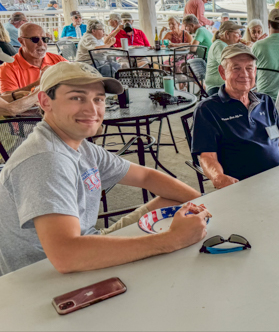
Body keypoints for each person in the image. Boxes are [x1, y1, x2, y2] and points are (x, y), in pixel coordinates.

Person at [0, 61, 210, 276]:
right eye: (76, 97)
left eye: (98, 99)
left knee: (179, 203)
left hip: (87, 242)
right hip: (47, 275)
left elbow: (147, 176)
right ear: (46, 101)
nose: (92, 109)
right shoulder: (45, 159)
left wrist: (206, 206)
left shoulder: (79, 146)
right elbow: (66, 256)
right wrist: (171, 240)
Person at [191, 44, 279, 188]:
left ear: (255, 71)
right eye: (236, 68)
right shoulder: (208, 109)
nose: (244, 74)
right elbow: (207, 156)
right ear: (223, 72)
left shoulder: (265, 101)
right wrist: (218, 177)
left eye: (249, 68)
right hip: (243, 186)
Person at [0, 23, 67, 93]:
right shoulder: (8, 68)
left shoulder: (58, 60)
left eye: (45, 39)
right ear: (21, 41)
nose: (41, 44)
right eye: (35, 39)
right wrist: (39, 83)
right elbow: (7, 98)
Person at [204, 20, 245, 95]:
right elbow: (231, 65)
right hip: (217, 88)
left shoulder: (224, 45)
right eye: (238, 34)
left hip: (225, 87)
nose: (240, 37)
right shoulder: (220, 45)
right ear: (227, 34)